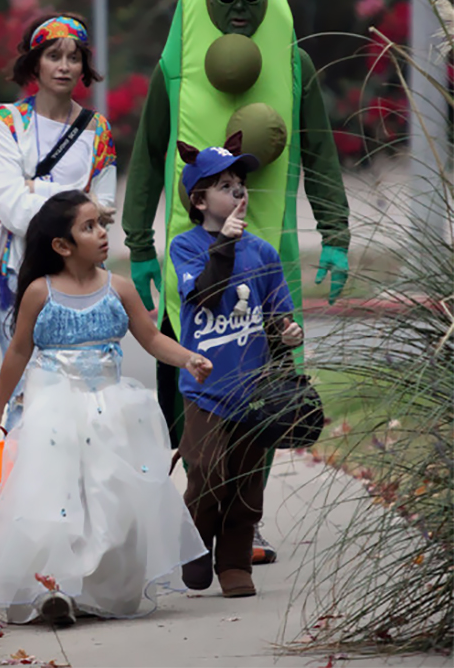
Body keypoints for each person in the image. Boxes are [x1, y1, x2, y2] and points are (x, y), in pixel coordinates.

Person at [122, 0, 349, 564]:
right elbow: (147, 154)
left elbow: (318, 156)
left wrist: (333, 233)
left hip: (263, 260)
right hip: (190, 264)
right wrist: (139, 245)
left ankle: (240, 523)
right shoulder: (177, 72)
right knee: (186, 386)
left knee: (268, 390)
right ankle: (203, 503)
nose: (240, 7)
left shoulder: (292, 68)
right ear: (209, 0)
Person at [0, 190, 212, 625]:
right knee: (54, 499)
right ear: (62, 244)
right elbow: (18, 351)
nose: (102, 234)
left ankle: (99, 588)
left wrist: (187, 356)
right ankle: (51, 588)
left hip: (112, 410)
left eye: (101, 225)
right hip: (54, 411)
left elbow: (151, 339)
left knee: (110, 497)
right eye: (89, 226)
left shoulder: (120, 288)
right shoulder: (40, 292)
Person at [169, 133, 304, 598]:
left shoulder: (263, 253)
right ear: (200, 199)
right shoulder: (186, 248)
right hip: (206, 387)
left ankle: (233, 562)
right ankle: (193, 545)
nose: (238, 192)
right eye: (225, 185)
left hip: (254, 390)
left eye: (240, 183)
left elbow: (276, 315)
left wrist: (286, 334)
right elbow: (205, 293)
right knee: (206, 472)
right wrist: (222, 246)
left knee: (247, 483)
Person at [0, 13, 117, 432]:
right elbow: (10, 207)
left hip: (83, 283)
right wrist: (80, 203)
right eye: (53, 56)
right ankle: (27, 491)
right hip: (18, 279)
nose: (64, 66)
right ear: (35, 63)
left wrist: (36, 189)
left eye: (73, 57)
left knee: (87, 402)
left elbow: (108, 206)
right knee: (29, 396)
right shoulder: (8, 123)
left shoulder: (97, 130)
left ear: (84, 66)